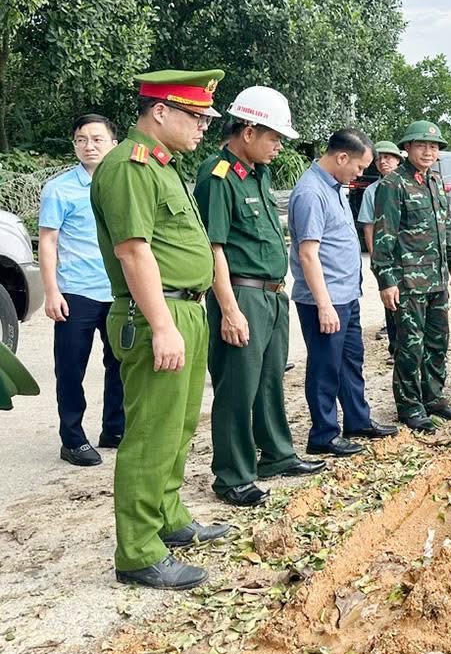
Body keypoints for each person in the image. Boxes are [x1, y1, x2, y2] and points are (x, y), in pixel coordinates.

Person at [90, 69, 229, 590]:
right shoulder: (130, 167)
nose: (203, 128)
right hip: (158, 316)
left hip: (183, 311)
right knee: (150, 435)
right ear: (160, 111)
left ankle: (168, 520)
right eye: (196, 117)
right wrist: (163, 325)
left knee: (178, 427)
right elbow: (133, 251)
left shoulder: (166, 168)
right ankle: (139, 552)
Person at [194, 87, 325, 508]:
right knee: (237, 386)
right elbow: (214, 247)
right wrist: (229, 309)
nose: (278, 145)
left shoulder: (259, 173)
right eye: (274, 136)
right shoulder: (217, 175)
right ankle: (232, 475)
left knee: (269, 380)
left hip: (272, 295)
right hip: (242, 296)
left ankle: (276, 455)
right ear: (248, 131)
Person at [290, 129, 397, 456]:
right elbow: (309, 254)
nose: (361, 173)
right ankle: (323, 435)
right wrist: (324, 306)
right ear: (341, 157)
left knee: (351, 361)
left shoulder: (335, 186)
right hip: (325, 300)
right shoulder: (311, 192)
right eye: (360, 167)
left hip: (345, 296)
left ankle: (357, 418)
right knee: (325, 367)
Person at [372, 120, 451, 432]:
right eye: (422, 145)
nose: (429, 151)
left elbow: (447, 226)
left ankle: (433, 396)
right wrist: (386, 281)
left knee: (438, 341)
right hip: (409, 282)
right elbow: (384, 237)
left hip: (437, 279)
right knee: (410, 346)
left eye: (434, 146)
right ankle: (410, 406)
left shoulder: (435, 181)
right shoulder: (393, 184)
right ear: (407, 148)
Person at [39, 114, 123, 466]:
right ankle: (72, 438)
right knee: (71, 367)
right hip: (76, 293)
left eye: (97, 139)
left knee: (120, 364)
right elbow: (48, 241)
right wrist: (51, 292)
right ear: (74, 144)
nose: (89, 146)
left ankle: (115, 429)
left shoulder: (123, 184)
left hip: (118, 291)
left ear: (113, 144)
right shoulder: (60, 189)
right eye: (81, 139)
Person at [358, 140, 404, 362]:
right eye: (379, 158)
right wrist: (376, 256)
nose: (383, 162)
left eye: (388, 157)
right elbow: (368, 226)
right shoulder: (372, 191)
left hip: (408, 257)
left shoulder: (408, 185)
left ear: (398, 160)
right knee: (391, 302)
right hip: (386, 257)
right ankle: (395, 348)